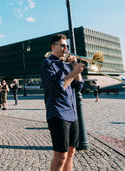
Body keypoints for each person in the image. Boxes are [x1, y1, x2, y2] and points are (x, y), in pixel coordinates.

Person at [40, 34, 84, 171]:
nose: (66, 48)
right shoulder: (47, 64)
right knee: (61, 156)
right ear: (53, 47)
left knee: (71, 153)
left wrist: (75, 67)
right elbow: (56, 89)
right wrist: (73, 73)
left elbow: (79, 86)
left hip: (72, 114)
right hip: (58, 114)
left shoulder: (66, 65)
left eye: (67, 46)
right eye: (63, 45)